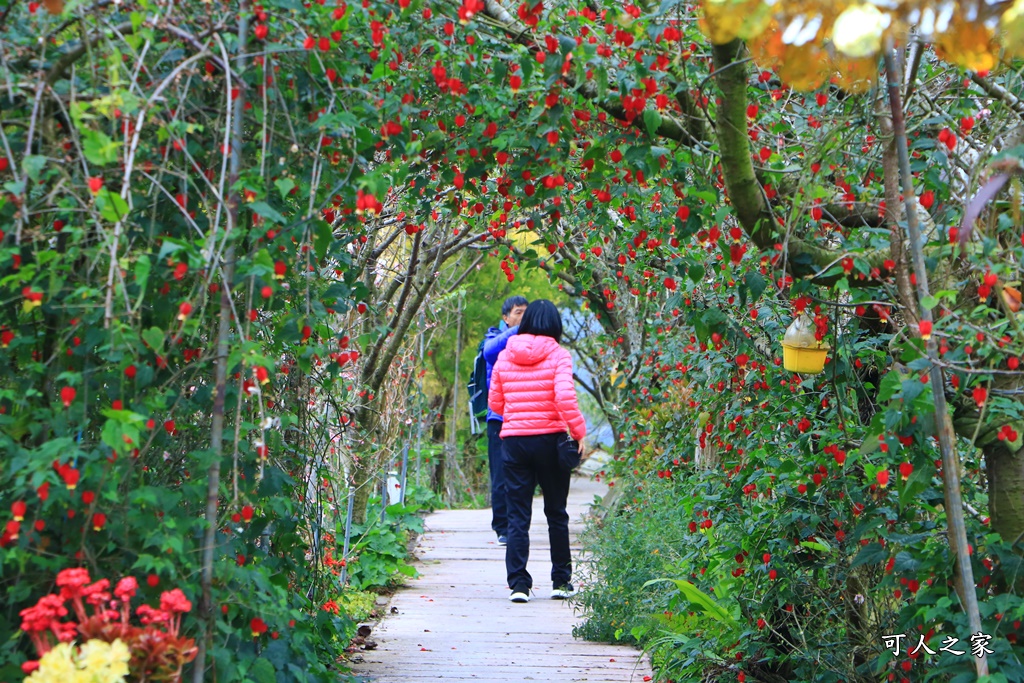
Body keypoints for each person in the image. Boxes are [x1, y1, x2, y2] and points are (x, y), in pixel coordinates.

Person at [488, 299, 586, 603]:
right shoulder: (558, 354)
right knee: (556, 513)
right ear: (555, 325)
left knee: (518, 516)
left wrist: (517, 413)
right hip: (551, 441)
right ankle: (561, 581)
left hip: (515, 442)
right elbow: (565, 397)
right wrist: (579, 431)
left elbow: (495, 404)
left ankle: (518, 585)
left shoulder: (506, 355)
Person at [481, 295, 529, 545]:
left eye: (526, 313)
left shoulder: (529, 342)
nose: (523, 317)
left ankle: (518, 525)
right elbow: (489, 352)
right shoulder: (494, 338)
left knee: (521, 477)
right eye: (518, 313)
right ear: (505, 318)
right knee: (500, 475)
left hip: (523, 417)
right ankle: (502, 527)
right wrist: (519, 330)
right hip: (498, 417)